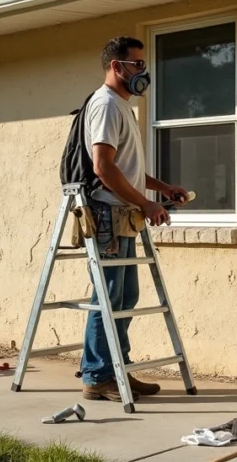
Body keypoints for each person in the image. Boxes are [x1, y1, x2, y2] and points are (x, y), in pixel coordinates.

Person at [79, 35, 189, 402]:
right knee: (110, 296)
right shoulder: (107, 105)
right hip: (109, 213)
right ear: (116, 66)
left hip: (123, 211)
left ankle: (117, 370)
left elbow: (128, 169)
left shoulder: (123, 107)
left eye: (144, 64)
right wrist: (146, 203)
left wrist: (161, 189)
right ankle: (97, 375)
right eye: (137, 64)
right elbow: (104, 168)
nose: (144, 71)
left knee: (125, 295)